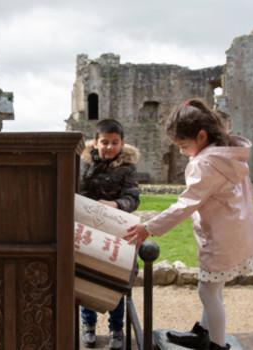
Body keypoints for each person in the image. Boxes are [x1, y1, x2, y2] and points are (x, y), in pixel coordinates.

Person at [124, 98, 253, 350]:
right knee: (214, 287)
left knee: (207, 292)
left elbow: (186, 204)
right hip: (238, 232)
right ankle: (204, 333)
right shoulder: (229, 155)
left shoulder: (204, 164)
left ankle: (217, 345)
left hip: (221, 237)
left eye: (183, 145)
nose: (181, 151)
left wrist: (149, 227)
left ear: (201, 136)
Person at [79, 118, 140, 350]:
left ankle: (117, 329)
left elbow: (133, 198)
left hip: (115, 229)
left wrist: (115, 205)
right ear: (95, 142)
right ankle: (88, 325)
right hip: (88, 229)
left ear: (122, 143)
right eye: (104, 142)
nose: (109, 147)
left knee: (115, 282)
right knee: (88, 278)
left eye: (115, 142)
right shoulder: (83, 164)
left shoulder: (127, 168)